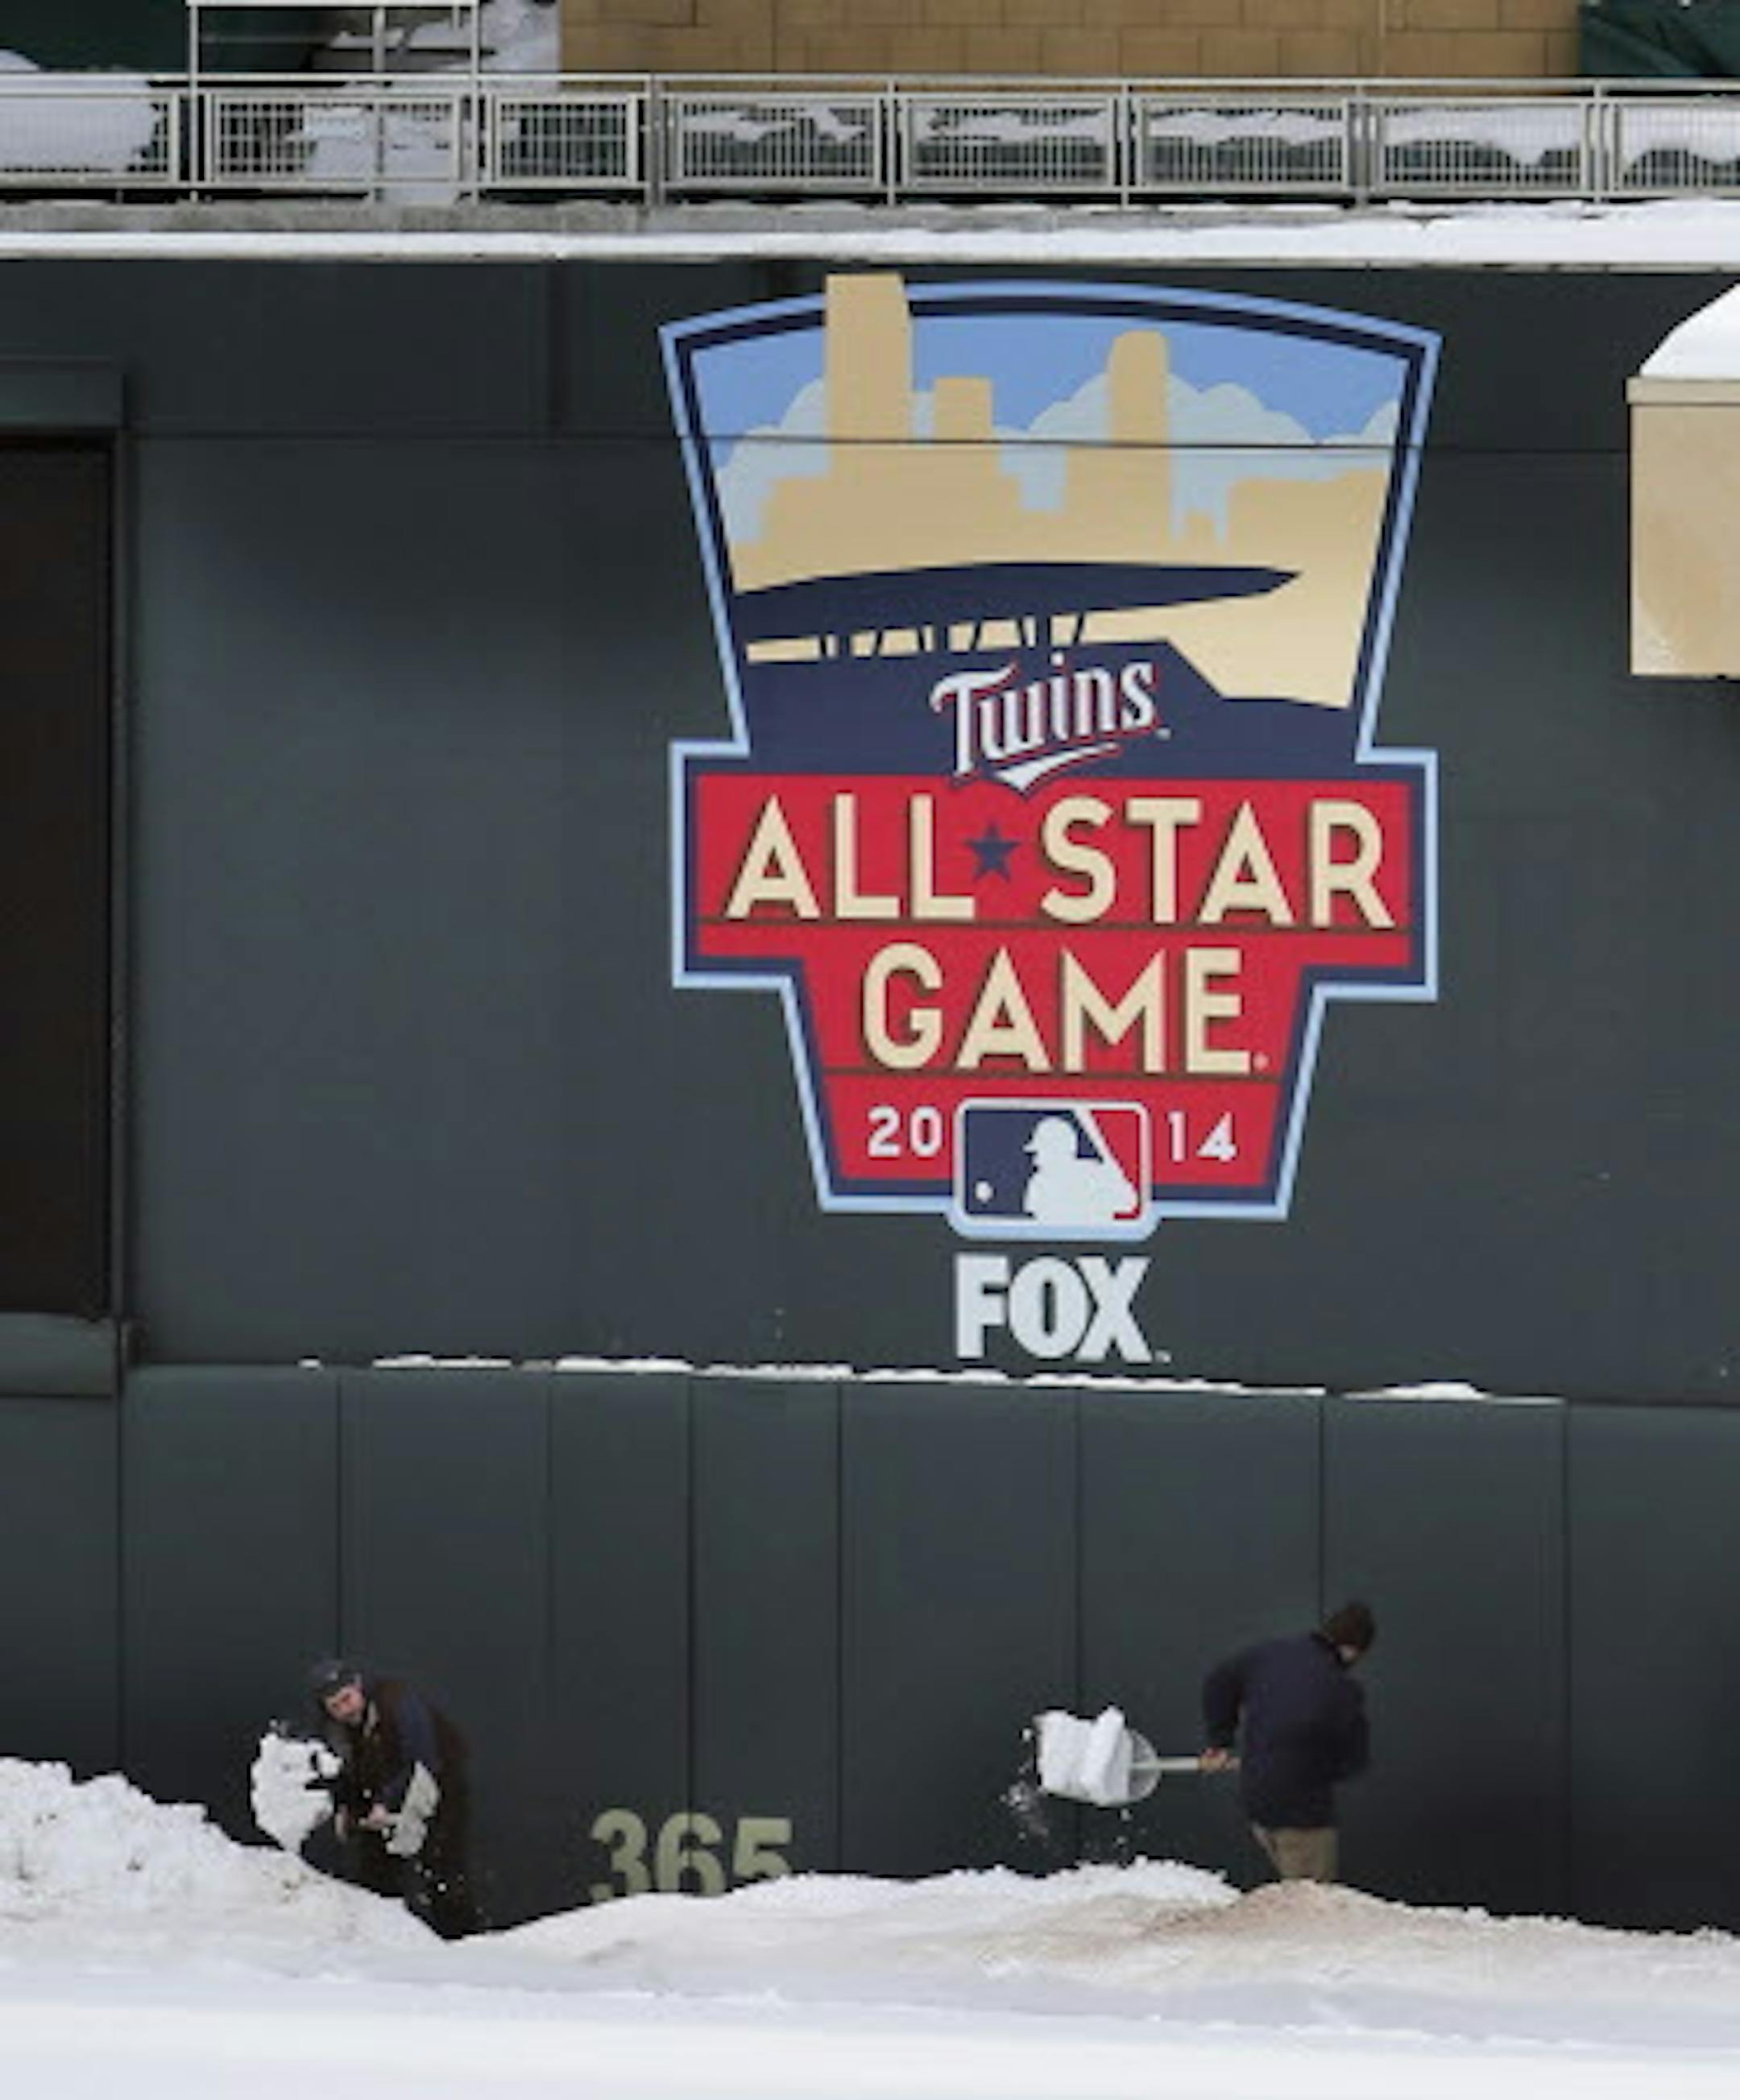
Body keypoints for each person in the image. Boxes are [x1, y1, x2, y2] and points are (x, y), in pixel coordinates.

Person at [1199, 1601, 1375, 1886]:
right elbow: (1355, 1760)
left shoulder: (1268, 1655)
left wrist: (1220, 1741)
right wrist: (1321, 1768)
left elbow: (1218, 1682)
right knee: (1311, 1905)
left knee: (1289, 1892)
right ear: (1352, 1649)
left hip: (1257, 1796)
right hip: (1304, 1813)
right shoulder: (1342, 1688)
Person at [309, 1657, 482, 1939]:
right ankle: (384, 1943)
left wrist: (388, 1803)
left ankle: (460, 1943)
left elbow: (423, 1760)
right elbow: (345, 1770)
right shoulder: (337, 1728)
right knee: (375, 1868)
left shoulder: (398, 1703)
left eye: (347, 1699)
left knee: (441, 1869)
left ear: (357, 1686)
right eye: (335, 1706)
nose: (345, 1709)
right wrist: (347, 1807)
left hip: (436, 1784)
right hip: (383, 1791)